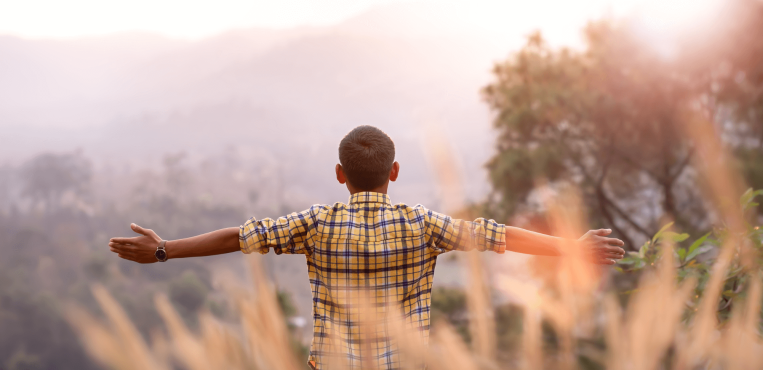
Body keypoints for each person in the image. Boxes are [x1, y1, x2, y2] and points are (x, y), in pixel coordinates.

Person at [108, 125, 625, 370]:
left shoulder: (314, 223)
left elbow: (239, 236)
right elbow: (498, 235)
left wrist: (165, 250)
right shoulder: (424, 225)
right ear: (394, 173)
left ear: (340, 175)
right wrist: (571, 248)